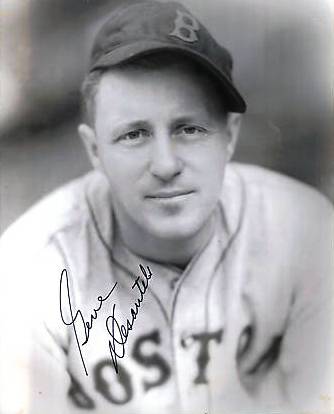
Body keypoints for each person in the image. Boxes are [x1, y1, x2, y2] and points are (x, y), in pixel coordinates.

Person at [0, 1, 333, 413]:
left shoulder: (307, 234)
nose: (166, 165)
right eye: (134, 134)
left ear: (229, 136)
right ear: (94, 150)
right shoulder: (28, 270)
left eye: (189, 129)